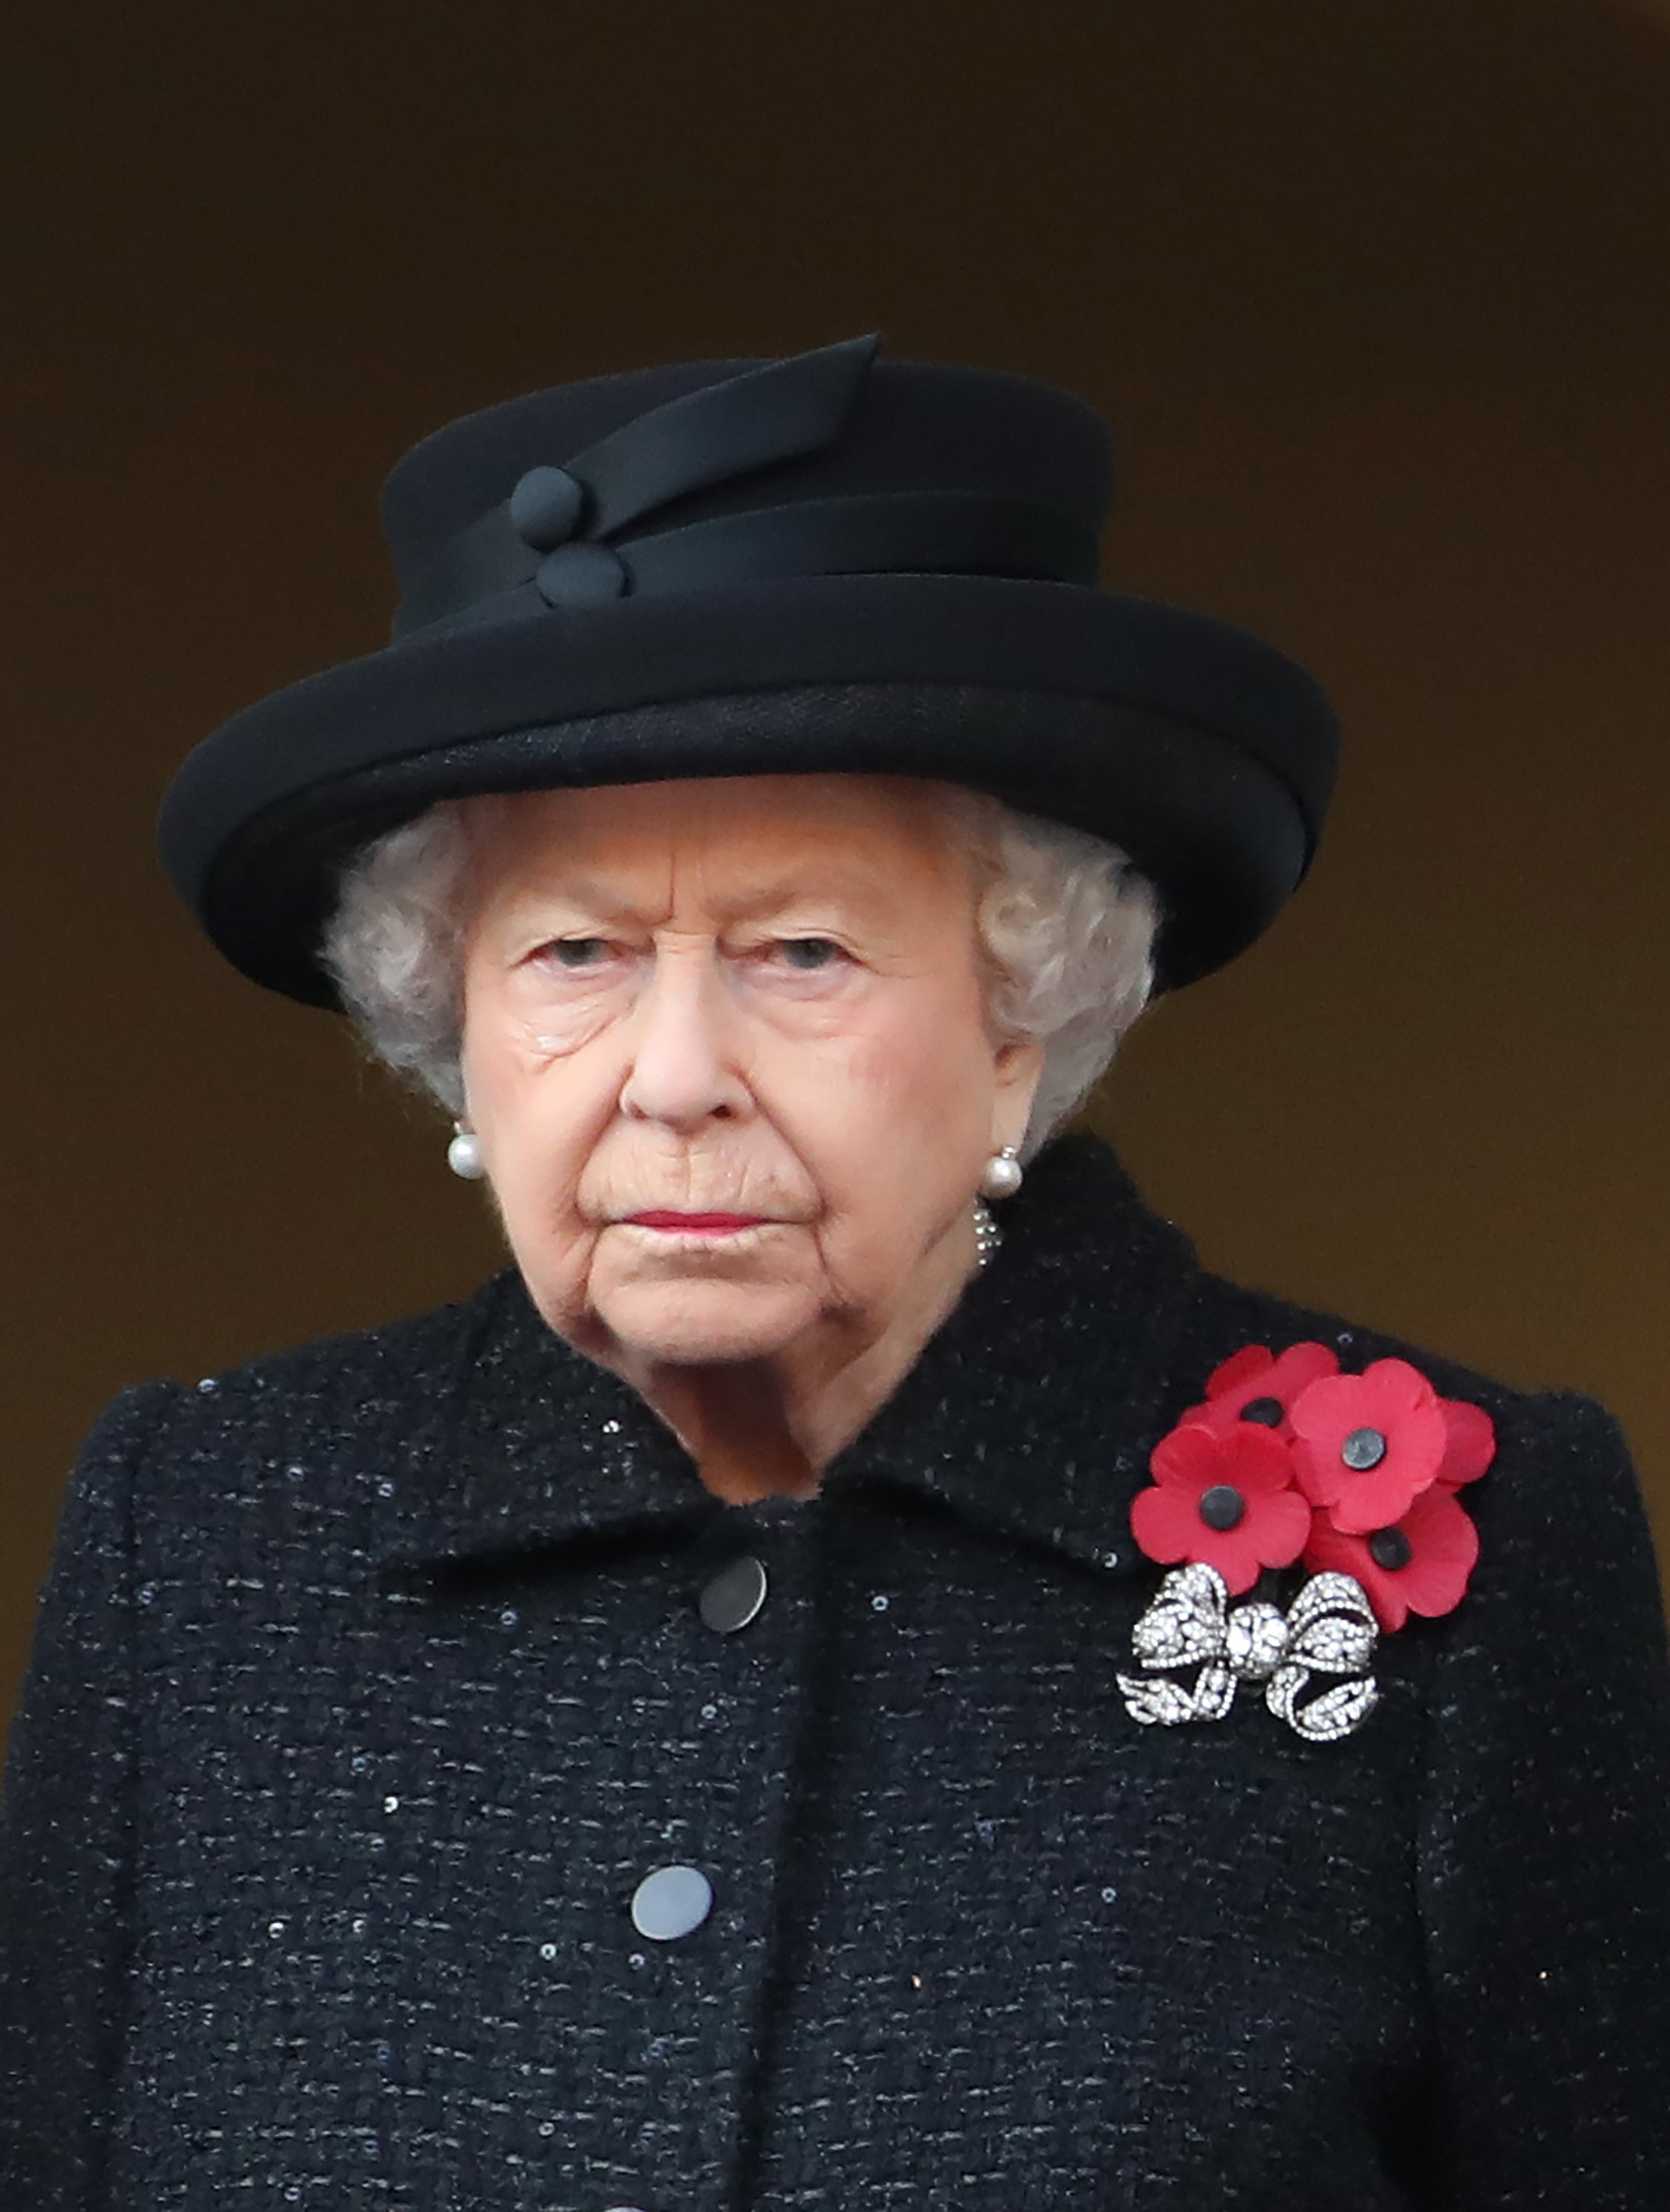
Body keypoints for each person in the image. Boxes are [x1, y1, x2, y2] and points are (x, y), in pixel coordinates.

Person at [1, 334, 1665, 2210]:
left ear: (1022, 1018)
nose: (678, 1072)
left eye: (800, 950)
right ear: (450, 1032)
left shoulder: (1476, 1545)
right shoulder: (204, 1536)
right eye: (572, 955)